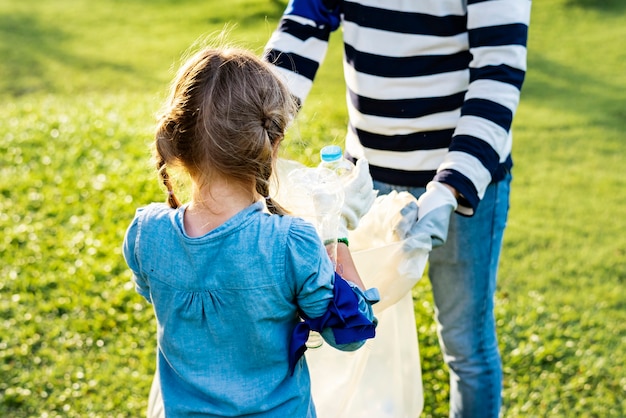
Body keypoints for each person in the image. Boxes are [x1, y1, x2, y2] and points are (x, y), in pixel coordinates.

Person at [264, 1, 531, 416]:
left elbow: (498, 74)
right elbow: (304, 27)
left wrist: (449, 191)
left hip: (462, 176)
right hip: (366, 177)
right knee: (359, 338)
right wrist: (255, 134)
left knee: (467, 346)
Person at [122, 46, 380, 417]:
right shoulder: (291, 243)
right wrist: (335, 231)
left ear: (179, 142)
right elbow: (350, 333)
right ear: (272, 145)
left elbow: (156, 295)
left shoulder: (146, 233)